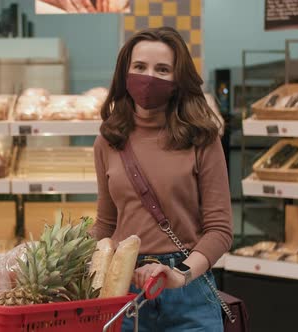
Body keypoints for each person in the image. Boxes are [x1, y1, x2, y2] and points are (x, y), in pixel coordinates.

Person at [89, 27, 233, 332]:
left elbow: (219, 229)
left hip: (187, 288)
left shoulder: (202, 138)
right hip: (122, 288)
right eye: (140, 67)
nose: (148, 77)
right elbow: (106, 223)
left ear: (178, 79)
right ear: (125, 73)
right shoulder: (109, 140)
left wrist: (179, 274)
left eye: (162, 69)